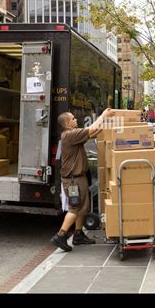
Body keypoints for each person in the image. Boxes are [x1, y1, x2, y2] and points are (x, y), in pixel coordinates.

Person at [51, 108, 114, 252]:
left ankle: (78, 234)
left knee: (83, 208)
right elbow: (92, 129)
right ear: (67, 124)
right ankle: (60, 235)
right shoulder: (69, 135)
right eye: (73, 118)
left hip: (79, 178)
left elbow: (93, 132)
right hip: (73, 180)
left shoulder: (73, 134)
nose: (76, 120)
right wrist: (103, 115)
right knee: (75, 208)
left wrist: (105, 125)